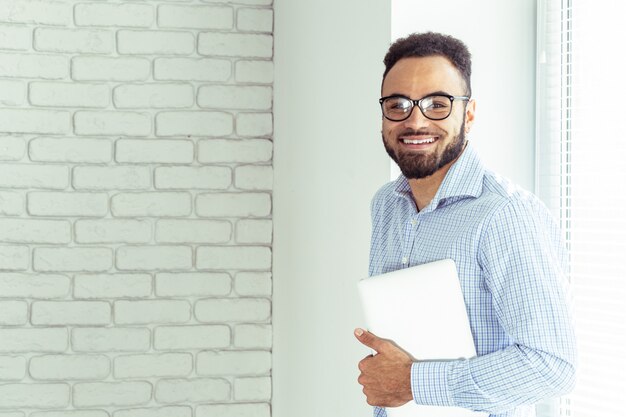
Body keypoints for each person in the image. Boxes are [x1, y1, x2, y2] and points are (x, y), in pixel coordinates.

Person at [355, 32, 576, 417]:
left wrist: (412, 382)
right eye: (398, 104)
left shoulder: (506, 214)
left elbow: (552, 367)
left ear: (468, 114)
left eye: (437, 104)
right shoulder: (386, 205)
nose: (415, 120)